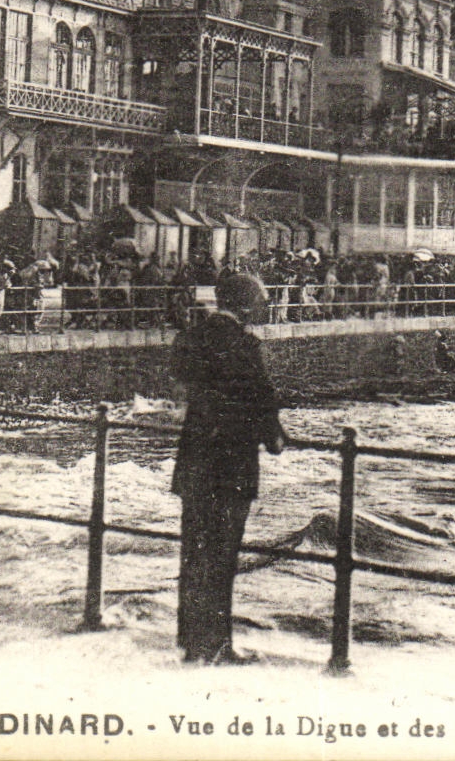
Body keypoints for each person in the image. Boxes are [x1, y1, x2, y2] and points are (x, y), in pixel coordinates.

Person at [170, 273, 286, 665]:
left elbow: (182, 378)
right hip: (231, 466)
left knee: (194, 552)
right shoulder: (244, 344)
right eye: (261, 300)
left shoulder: (194, 337)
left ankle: (190, 640)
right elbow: (260, 397)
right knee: (222, 558)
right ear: (247, 304)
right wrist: (275, 438)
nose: (264, 306)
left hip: (195, 460)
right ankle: (218, 644)